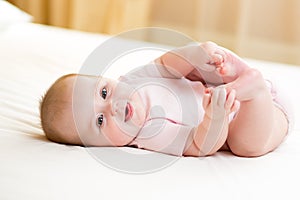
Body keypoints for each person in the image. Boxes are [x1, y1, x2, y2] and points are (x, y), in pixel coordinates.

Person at [40, 41, 289, 157]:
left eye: (104, 93)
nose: (112, 106)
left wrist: (194, 53)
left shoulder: (132, 80)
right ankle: (252, 87)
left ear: (108, 79)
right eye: (100, 121)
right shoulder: (149, 137)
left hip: (247, 100)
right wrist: (214, 116)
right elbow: (198, 145)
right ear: (100, 146)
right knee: (246, 146)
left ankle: (235, 77)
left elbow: (165, 66)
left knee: (205, 71)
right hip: (254, 114)